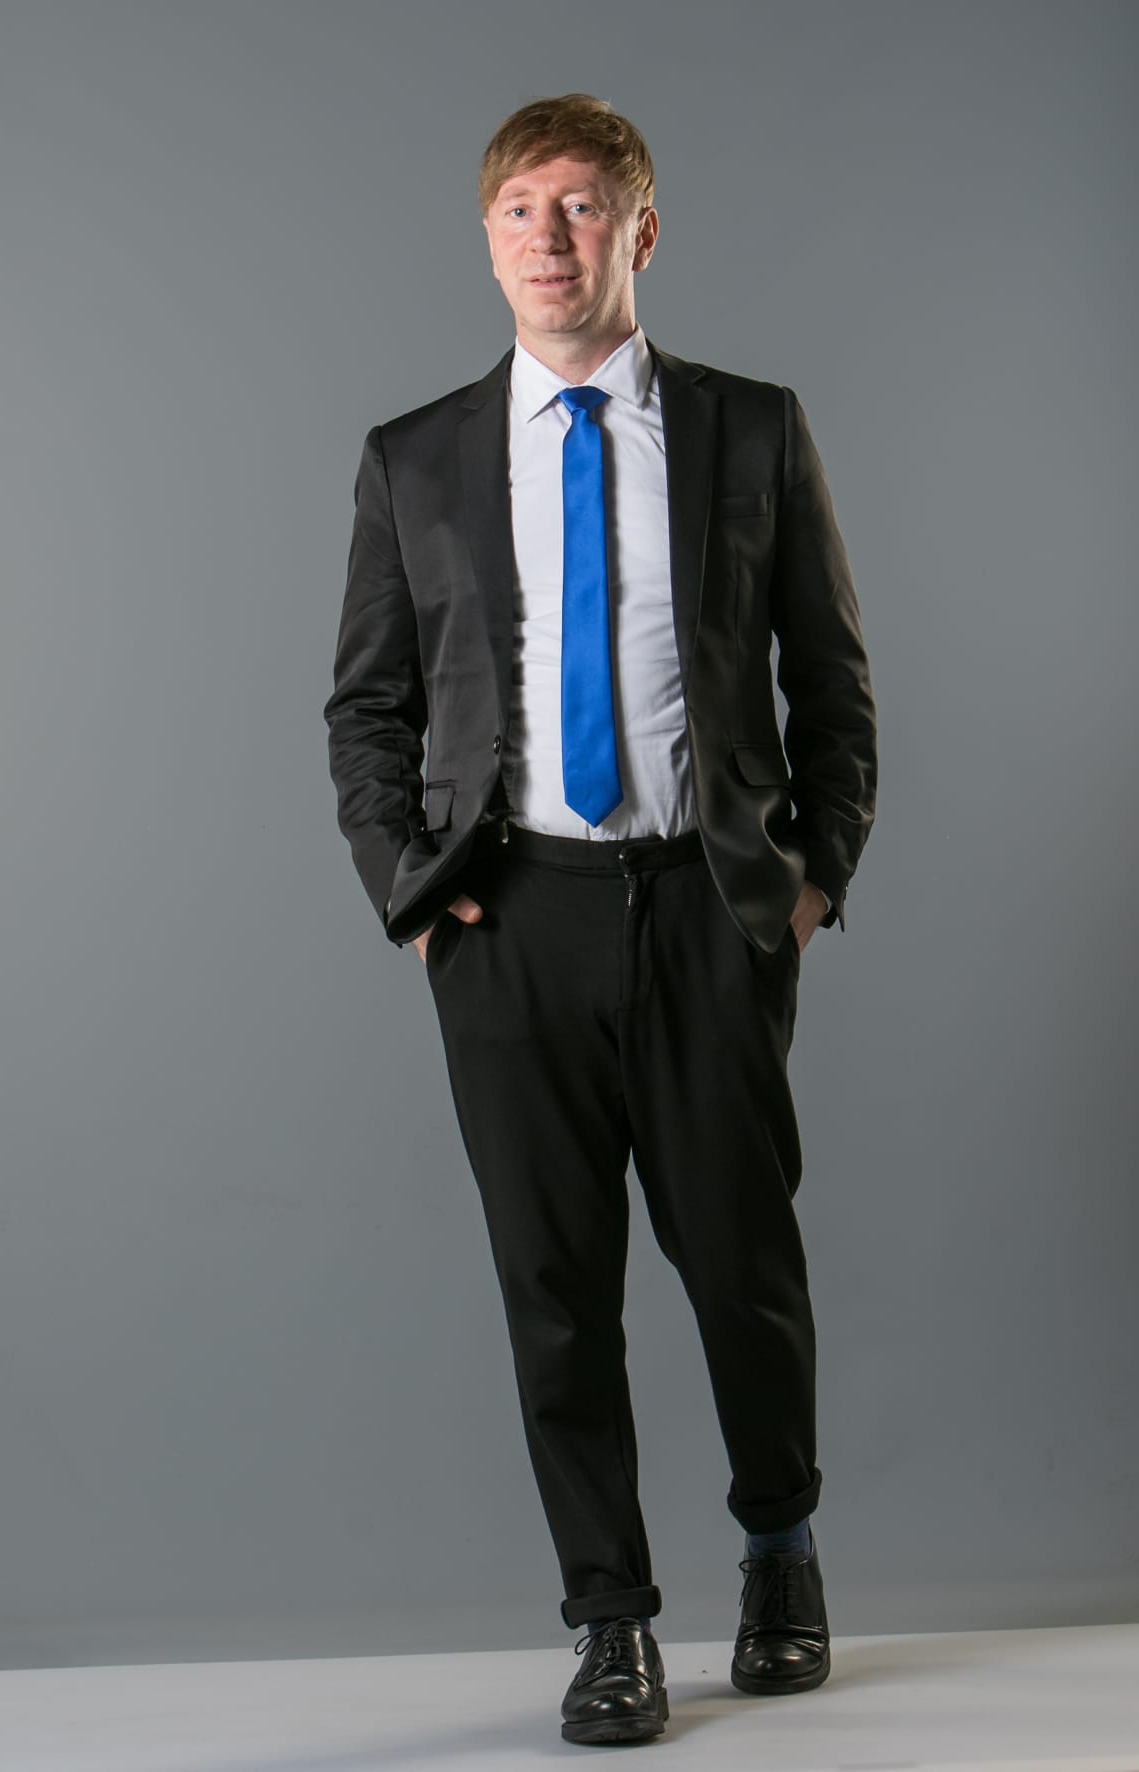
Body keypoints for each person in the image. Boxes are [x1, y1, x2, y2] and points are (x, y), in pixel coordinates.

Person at [324, 92, 877, 1748]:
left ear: (641, 229)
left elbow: (829, 677)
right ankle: (610, 1622)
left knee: (743, 1271)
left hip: (708, 910)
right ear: (485, 239)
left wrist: (809, 878)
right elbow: (366, 707)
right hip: (510, 923)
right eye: (518, 210)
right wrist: (413, 895)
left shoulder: (748, 430)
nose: (547, 239)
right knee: (553, 1291)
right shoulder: (415, 456)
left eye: (578, 207)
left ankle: (778, 1554)